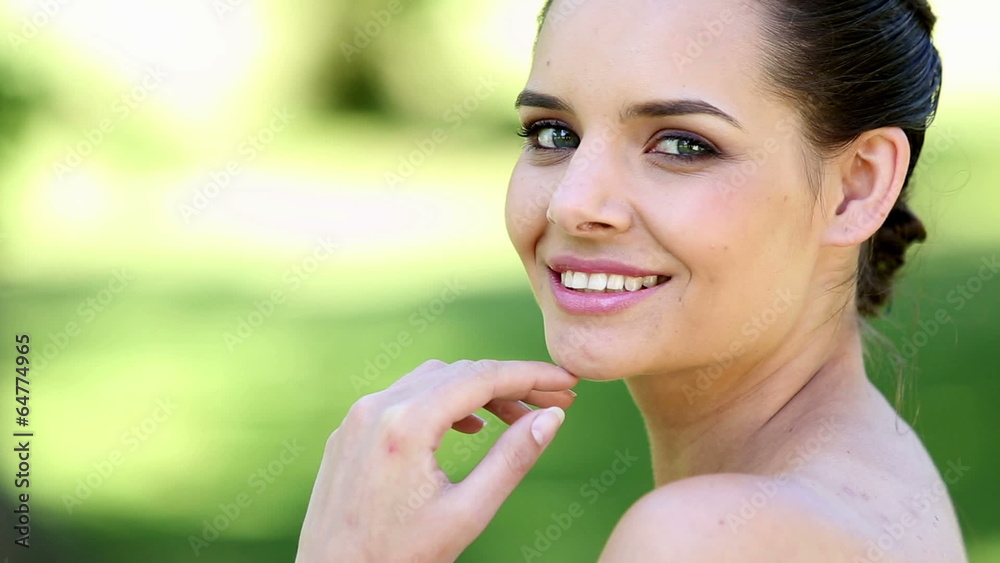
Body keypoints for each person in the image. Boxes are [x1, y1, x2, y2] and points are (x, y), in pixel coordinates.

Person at [295, 0, 968, 560]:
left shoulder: (706, 539)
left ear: (857, 186)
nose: (572, 203)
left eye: (681, 144)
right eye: (553, 133)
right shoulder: (870, 486)